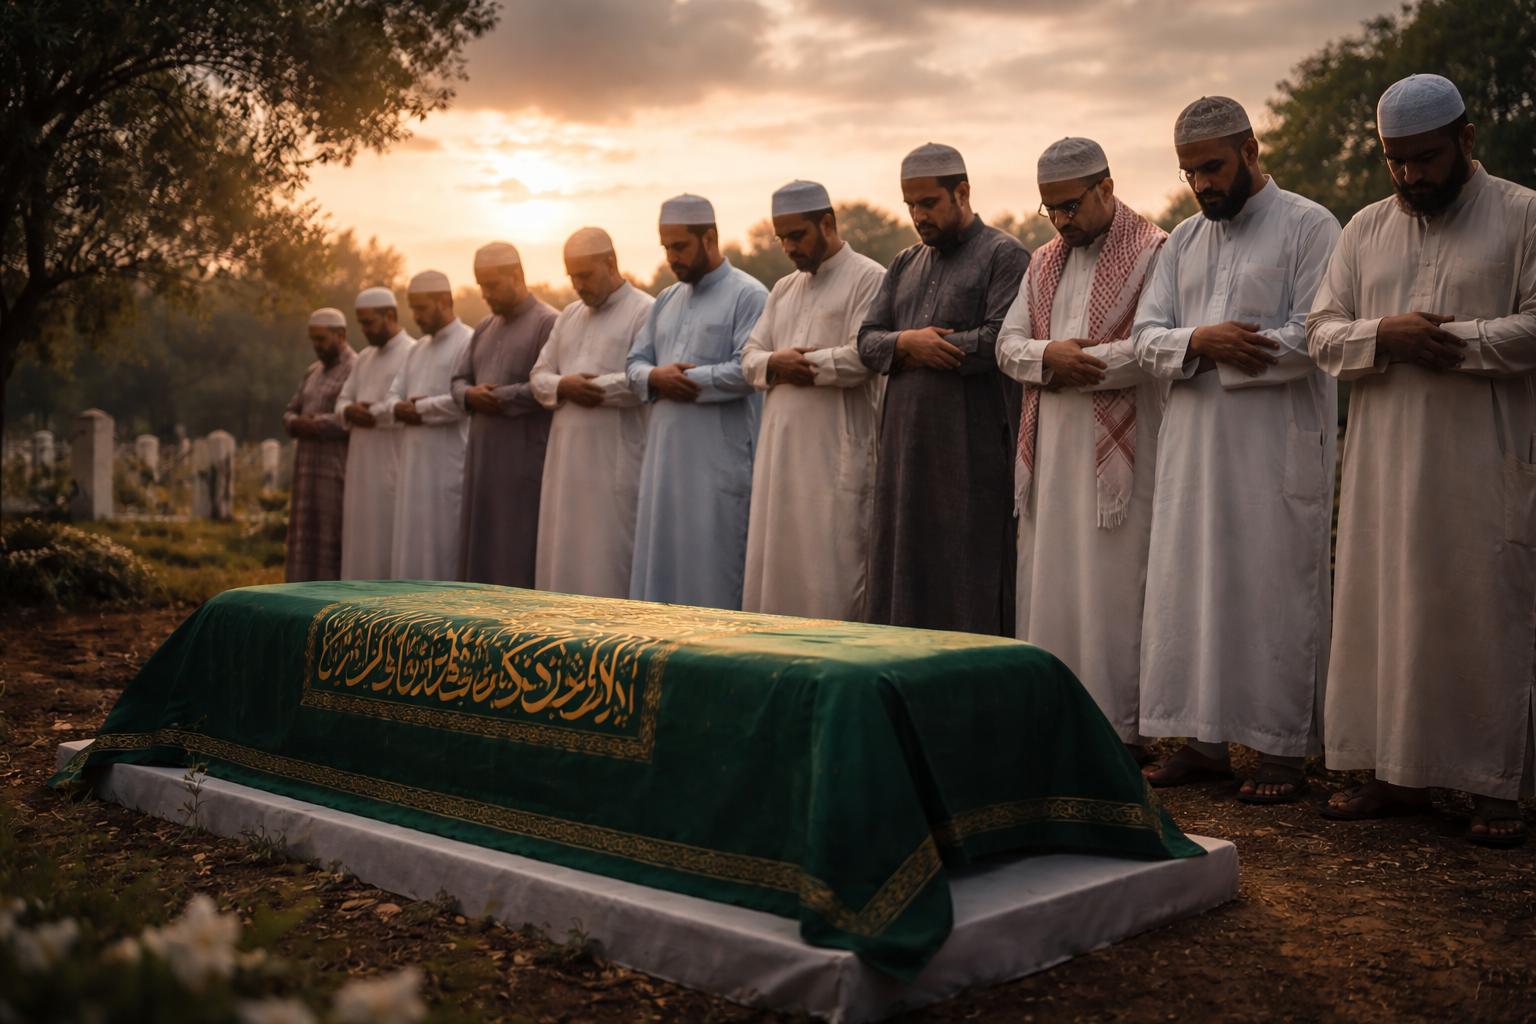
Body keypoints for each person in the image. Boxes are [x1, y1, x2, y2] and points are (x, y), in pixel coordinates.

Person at [1307, 74, 1536, 845]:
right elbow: (1322, 331)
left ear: (1467, 141)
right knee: (1382, 608)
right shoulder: (1366, 227)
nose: (1409, 175)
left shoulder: (1524, 213)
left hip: (1483, 465)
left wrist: (1451, 342)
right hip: (1380, 470)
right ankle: (1388, 772)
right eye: (1394, 160)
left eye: (1425, 157)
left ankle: (1492, 787)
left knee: (1482, 610)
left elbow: (1534, 327)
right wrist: (1384, 337)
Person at [1132, 97, 1341, 803]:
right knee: (1194, 588)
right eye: (1189, 172)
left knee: (1274, 589)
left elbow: (1312, 335)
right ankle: (1202, 741)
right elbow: (1146, 336)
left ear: (1251, 149)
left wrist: (1216, 344)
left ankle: (1282, 750)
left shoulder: (1311, 225)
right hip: (1193, 452)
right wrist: (1199, 340)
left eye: (1213, 167)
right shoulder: (1184, 241)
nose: (1201, 184)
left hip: (1274, 448)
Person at [997, 138, 1168, 763]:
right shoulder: (1042, 260)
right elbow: (1008, 345)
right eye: (1051, 210)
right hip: (1051, 454)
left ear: (1105, 187)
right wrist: (1049, 357)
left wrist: (1077, 362)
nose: (1062, 220)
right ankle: (1050, 718)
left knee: (1115, 587)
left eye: (1070, 205)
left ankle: (1120, 729)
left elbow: (1149, 347)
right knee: (1049, 581)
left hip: (1119, 464)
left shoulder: (1155, 250)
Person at [856, 143, 1029, 635]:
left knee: (969, 576)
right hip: (904, 460)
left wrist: (935, 351)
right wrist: (908, 341)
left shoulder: (1003, 254)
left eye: (928, 203)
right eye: (909, 204)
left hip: (970, 457)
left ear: (962, 192)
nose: (917, 215)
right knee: (902, 571)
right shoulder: (905, 262)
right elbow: (867, 341)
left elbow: (1002, 338)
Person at [741, 181, 885, 620]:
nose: (788, 247)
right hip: (780, 461)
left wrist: (802, 365)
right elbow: (749, 358)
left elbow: (864, 355)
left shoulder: (870, 277)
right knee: (777, 564)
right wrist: (776, 362)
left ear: (827, 223)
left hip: (835, 455)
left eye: (796, 236)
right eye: (780, 237)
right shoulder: (783, 289)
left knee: (834, 570)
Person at [626, 194, 769, 609]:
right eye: (666, 248)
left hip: (717, 471)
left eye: (680, 247)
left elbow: (747, 369)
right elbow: (635, 362)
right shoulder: (667, 300)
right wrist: (656, 376)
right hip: (663, 471)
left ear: (709, 238)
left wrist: (684, 380)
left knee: (714, 581)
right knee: (661, 576)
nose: (671, 257)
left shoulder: (749, 295)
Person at [530, 228, 654, 598]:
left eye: (585, 275)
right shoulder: (568, 315)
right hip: (565, 469)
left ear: (611, 264)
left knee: (608, 563)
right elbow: (539, 376)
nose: (578, 285)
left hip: (613, 466)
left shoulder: (645, 310)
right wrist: (563, 386)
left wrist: (593, 388)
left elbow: (643, 379)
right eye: (572, 277)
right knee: (562, 559)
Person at [452, 242, 558, 588]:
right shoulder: (484, 327)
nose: (484, 294)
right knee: (477, 553)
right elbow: (458, 380)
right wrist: (470, 394)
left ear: (516, 276)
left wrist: (498, 397)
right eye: (480, 285)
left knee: (516, 556)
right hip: (481, 465)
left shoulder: (548, 322)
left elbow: (545, 387)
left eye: (492, 285)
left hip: (522, 466)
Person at [383, 270, 473, 580]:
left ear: (445, 301)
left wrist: (418, 408)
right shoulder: (416, 349)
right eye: (413, 308)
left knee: (443, 546)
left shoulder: (469, 341)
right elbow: (393, 395)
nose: (415, 315)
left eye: (421, 307)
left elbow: (461, 400)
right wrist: (398, 406)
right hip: (412, 469)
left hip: (446, 469)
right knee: (411, 545)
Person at [335, 286, 415, 580]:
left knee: (387, 541)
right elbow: (342, 401)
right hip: (359, 471)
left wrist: (377, 413)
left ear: (390, 316)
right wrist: (349, 412)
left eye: (369, 322)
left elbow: (409, 408)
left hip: (391, 466)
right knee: (358, 540)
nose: (364, 330)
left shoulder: (412, 352)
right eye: (361, 323)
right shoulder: (364, 358)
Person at [282, 307, 356, 582]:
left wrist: (317, 424)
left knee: (331, 537)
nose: (316, 345)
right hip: (305, 477)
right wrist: (294, 422)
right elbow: (291, 410)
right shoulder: (312, 372)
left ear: (341, 335)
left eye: (321, 339)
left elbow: (354, 418)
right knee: (303, 540)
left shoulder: (356, 368)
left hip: (335, 474)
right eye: (312, 339)